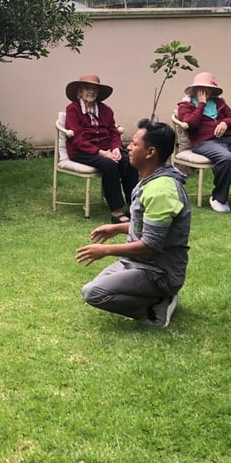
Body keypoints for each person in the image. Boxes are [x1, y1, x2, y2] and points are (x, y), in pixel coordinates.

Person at [76, 119, 191, 327]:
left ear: (150, 152)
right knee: (96, 286)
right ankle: (159, 297)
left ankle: (158, 304)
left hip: (158, 272)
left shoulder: (161, 191)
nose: (128, 147)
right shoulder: (151, 180)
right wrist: (117, 228)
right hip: (136, 262)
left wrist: (106, 250)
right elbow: (147, 226)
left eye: (135, 144)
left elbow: (151, 245)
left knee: (94, 293)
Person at [176, 71, 231, 214]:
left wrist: (225, 122)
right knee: (227, 158)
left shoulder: (220, 103)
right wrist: (201, 104)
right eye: (202, 89)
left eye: (208, 89)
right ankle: (218, 198)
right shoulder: (186, 105)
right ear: (195, 90)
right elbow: (191, 124)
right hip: (205, 142)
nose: (206, 92)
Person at [64, 74, 138, 223]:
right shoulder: (72, 109)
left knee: (129, 161)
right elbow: (77, 139)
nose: (90, 92)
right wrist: (102, 153)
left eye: (94, 89)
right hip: (82, 151)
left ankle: (134, 206)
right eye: (87, 88)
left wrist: (116, 148)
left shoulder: (106, 110)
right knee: (109, 164)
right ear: (80, 91)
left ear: (98, 93)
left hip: (107, 150)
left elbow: (113, 132)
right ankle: (116, 212)